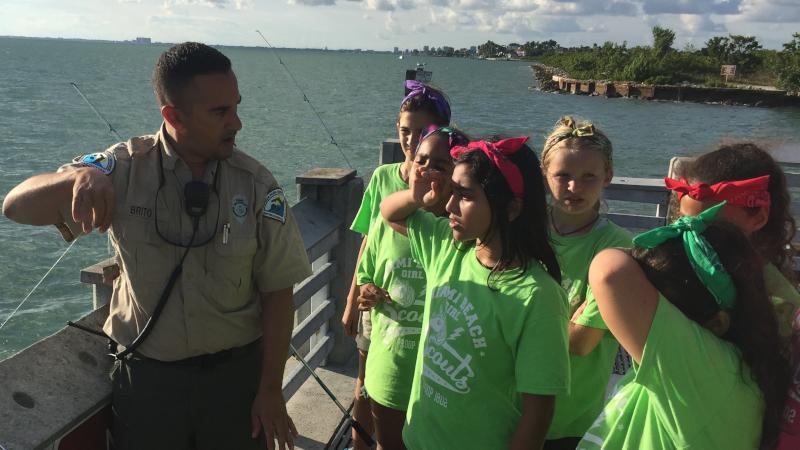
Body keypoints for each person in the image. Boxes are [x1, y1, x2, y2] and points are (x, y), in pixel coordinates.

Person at [2, 42, 311, 450]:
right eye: (220, 112)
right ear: (173, 116)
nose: (237, 123)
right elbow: (15, 206)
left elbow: (277, 293)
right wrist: (76, 178)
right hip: (149, 385)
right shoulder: (122, 169)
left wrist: (271, 389)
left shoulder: (255, 184)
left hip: (235, 383)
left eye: (236, 106)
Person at [381, 136, 570, 449]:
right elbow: (390, 213)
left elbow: (538, 413)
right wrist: (418, 197)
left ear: (511, 209)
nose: (450, 206)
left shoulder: (538, 296)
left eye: (465, 196)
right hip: (416, 440)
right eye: (452, 192)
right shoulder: (448, 247)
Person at [578, 203, 790, 449]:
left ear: (717, 323)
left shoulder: (709, 373)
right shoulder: (730, 371)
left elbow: (611, 274)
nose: (639, 309)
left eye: (656, 305)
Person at [342, 80, 451, 449]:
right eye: (405, 131)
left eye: (421, 132)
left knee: (408, 387)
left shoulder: (446, 190)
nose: (411, 139)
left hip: (420, 308)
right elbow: (369, 238)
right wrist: (353, 297)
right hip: (377, 302)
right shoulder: (383, 178)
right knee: (364, 388)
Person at [356, 126, 466, 450]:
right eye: (422, 160)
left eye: (441, 165)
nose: (427, 170)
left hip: (443, 379)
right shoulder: (401, 223)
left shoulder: (456, 234)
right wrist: (365, 292)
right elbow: (368, 267)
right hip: (391, 367)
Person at [539, 116, 631, 450]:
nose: (574, 187)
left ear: (607, 176)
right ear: (544, 172)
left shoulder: (615, 247)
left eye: (588, 177)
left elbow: (581, 341)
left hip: (570, 417)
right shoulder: (523, 230)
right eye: (562, 175)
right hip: (509, 405)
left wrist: (516, 319)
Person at [668, 143, 799, 345]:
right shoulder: (673, 269)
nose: (695, 236)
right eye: (684, 222)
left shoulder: (781, 307)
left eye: (712, 226)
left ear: (758, 219)